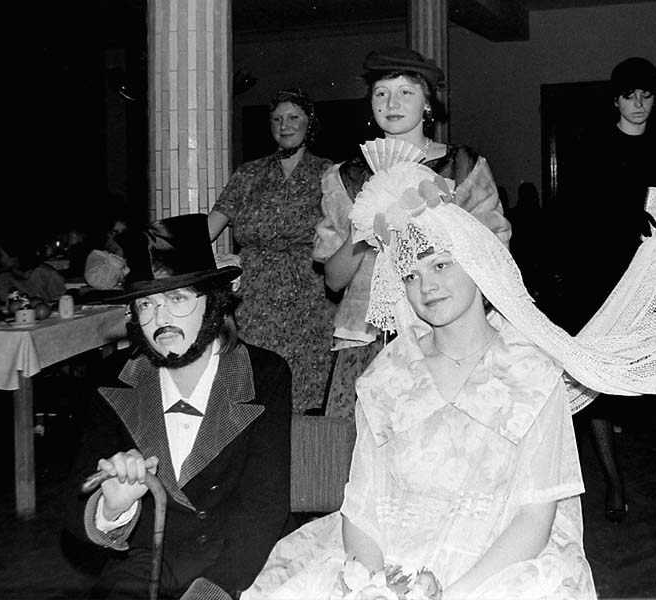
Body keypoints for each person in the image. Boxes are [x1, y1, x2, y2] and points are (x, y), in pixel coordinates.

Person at [245, 162, 594, 600]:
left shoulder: (533, 370)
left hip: (498, 569)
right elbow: (362, 509)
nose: (427, 286)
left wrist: (453, 594)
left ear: (477, 263)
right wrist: (376, 587)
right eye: (411, 275)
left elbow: (535, 519)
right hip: (390, 562)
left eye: (442, 265)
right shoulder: (389, 374)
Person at [68, 214, 293, 600]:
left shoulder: (264, 375)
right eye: (146, 304)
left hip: (240, 565)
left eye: (177, 299)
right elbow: (75, 511)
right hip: (148, 562)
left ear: (214, 301)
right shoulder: (111, 380)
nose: (161, 319)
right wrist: (112, 508)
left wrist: (212, 591)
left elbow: (263, 509)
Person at [314, 47, 510, 418]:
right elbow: (334, 281)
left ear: (427, 103)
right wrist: (367, 228)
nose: (392, 103)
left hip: (447, 334)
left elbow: (494, 257)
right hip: (367, 338)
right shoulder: (345, 177)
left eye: (406, 91)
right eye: (381, 93)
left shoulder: (463, 167)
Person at [553, 57, 656, 524]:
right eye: (629, 95)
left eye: (646, 95)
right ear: (615, 100)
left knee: (653, 377)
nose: (638, 104)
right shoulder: (590, 147)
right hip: (597, 278)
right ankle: (613, 481)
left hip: (649, 281)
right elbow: (571, 217)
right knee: (597, 381)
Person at [209, 88, 335, 412]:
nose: (285, 125)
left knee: (306, 386)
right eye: (277, 119)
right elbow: (209, 228)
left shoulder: (328, 173)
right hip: (254, 296)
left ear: (309, 123)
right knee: (255, 382)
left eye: (293, 117)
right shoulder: (248, 174)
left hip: (308, 295)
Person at [0, 233, 67, 304]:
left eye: (1, 255)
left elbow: (62, 302)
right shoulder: (3, 279)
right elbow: (8, 304)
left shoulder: (46, 275)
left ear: (14, 256)